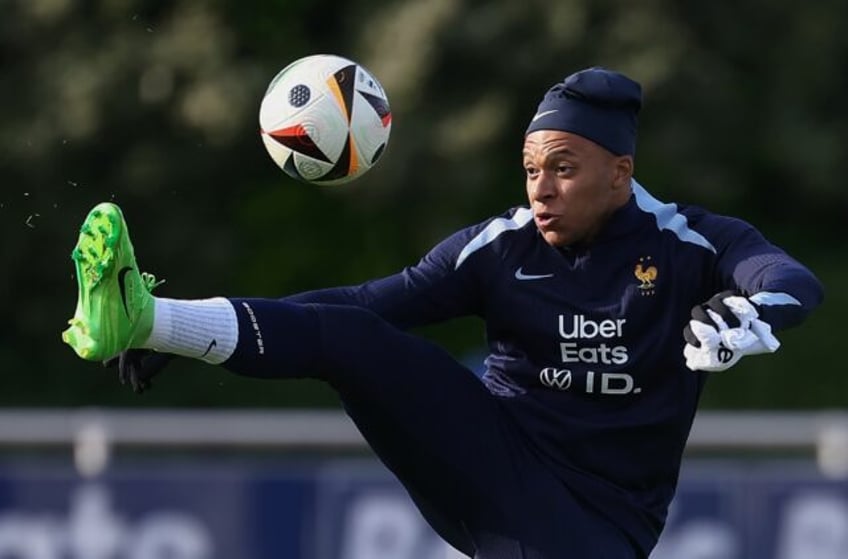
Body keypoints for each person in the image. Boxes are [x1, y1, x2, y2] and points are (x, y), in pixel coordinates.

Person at [61, 67, 824, 559]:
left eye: (564, 167)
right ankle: (140, 315)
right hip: (489, 454)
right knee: (359, 337)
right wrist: (182, 326)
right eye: (531, 169)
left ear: (621, 172)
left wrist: (747, 312)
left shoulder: (689, 243)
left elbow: (788, 277)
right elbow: (360, 307)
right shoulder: (500, 247)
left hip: (599, 523)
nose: (541, 189)